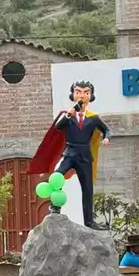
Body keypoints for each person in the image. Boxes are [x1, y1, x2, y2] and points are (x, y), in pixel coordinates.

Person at [28, 80, 111, 229]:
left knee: (87, 188)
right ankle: (55, 207)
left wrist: (106, 137)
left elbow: (107, 129)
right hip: (69, 153)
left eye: (86, 92)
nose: (82, 96)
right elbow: (59, 127)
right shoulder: (67, 115)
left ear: (91, 96)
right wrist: (69, 114)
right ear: (73, 95)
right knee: (57, 176)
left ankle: (89, 221)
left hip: (85, 156)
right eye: (78, 92)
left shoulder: (93, 117)